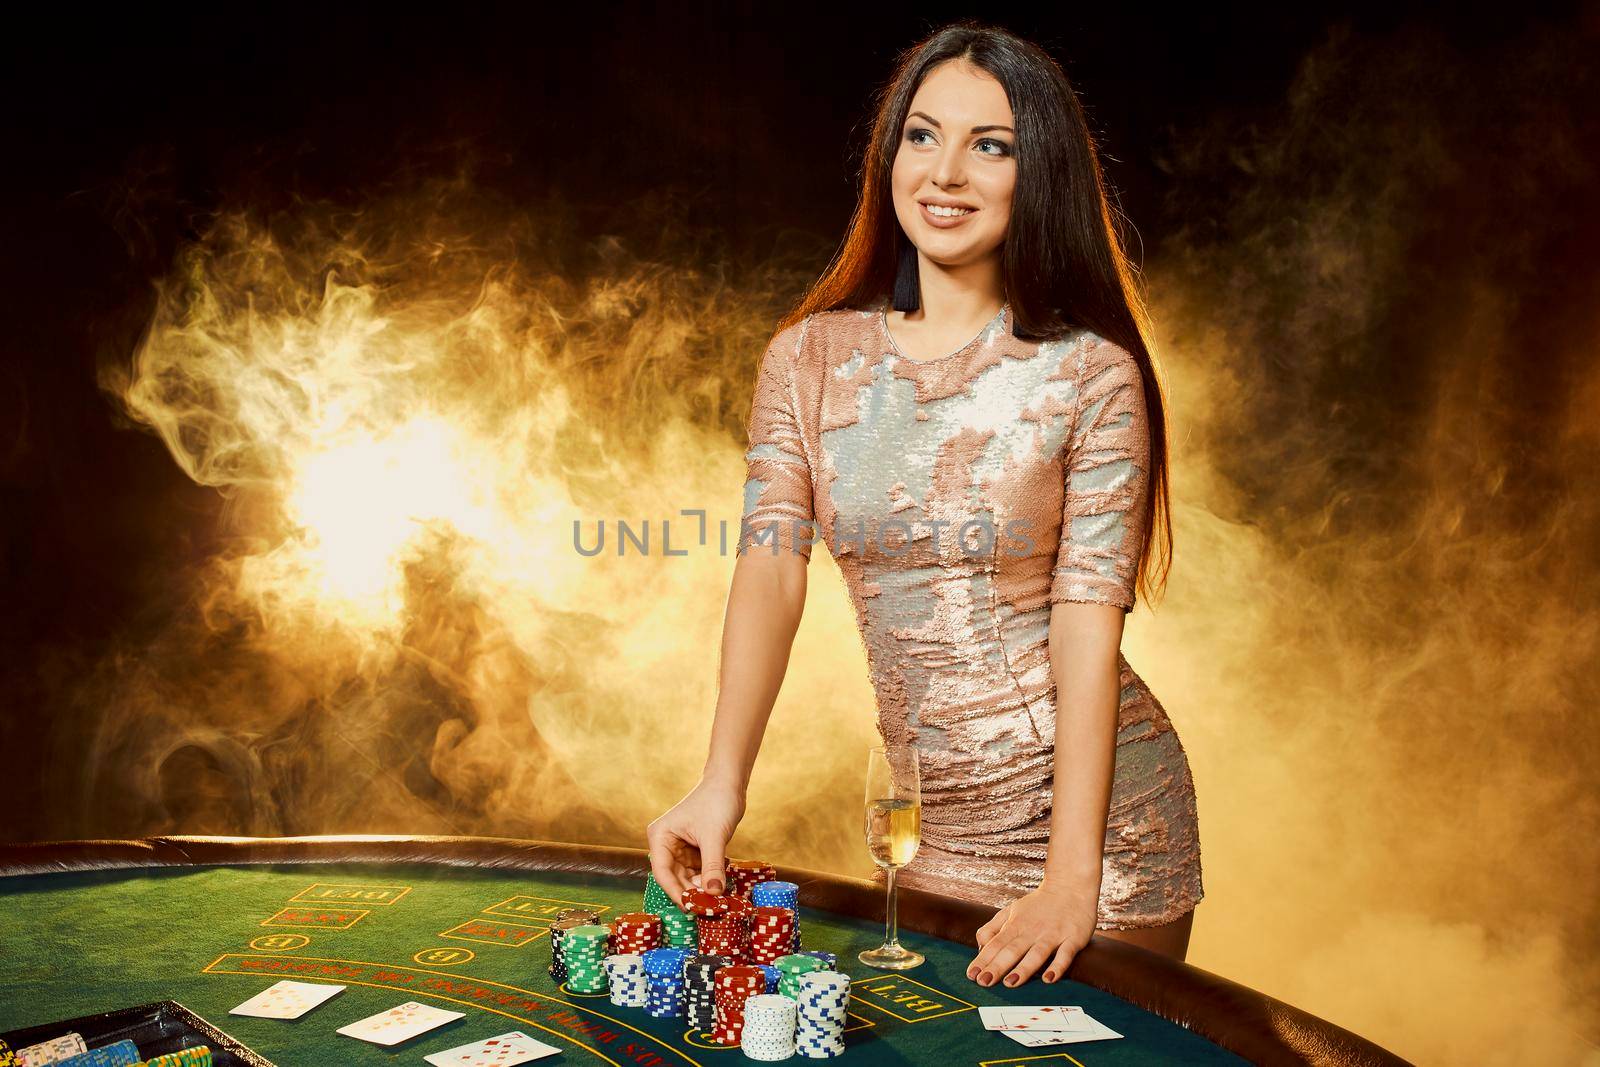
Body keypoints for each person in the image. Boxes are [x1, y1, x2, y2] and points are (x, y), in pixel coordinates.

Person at [647, 20, 1202, 991]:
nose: (945, 172)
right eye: (921, 134)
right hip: (930, 828)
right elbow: (771, 570)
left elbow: (1083, 622)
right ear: (888, 152)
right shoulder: (807, 357)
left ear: (1040, 176)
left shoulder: (1089, 376)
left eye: (990, 146)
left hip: (1101, 832)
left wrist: (1072, 879)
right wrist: (719, 783)